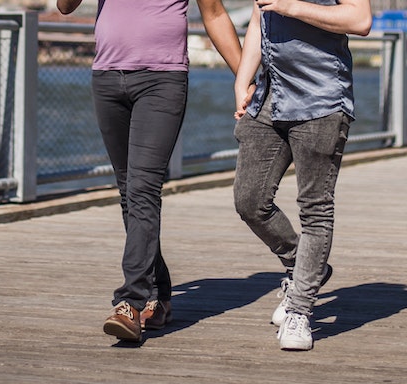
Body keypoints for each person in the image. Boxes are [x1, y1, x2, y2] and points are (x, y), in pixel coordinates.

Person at [57, 0, 245, 342]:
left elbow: (214, 13)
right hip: (107, 76)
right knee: (129, 192)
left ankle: (129, 303)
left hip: (162, 79)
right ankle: (159, 294)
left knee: (143, 188)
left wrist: (248, 81)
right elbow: (65, 7)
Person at [233, 0, 372, 350]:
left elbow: (360, 19)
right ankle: (304, 269)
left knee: (315, 208)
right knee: (249, 200)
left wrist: (292, 6)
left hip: (321, 98)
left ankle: (300, 308)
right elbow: (258, 15)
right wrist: (242, 79)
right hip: (269, 97)